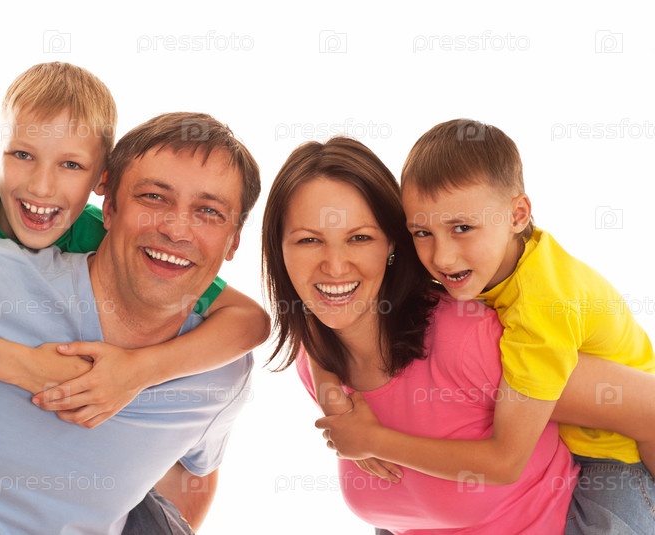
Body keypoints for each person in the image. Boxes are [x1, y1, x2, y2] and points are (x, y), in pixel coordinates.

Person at [0, 111, 261, 533]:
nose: (177, 230)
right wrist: (24, 366)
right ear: (109, 208)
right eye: (153, 198)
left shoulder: (222, 368)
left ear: (233, 242)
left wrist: (140, 371)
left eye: (209, 211)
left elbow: (192, 471)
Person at [0, 62, 268, 426]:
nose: (42, 186)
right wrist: (25, 367)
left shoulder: (103, 234)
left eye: (71, 164)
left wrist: (139, 371)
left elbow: (250, 320)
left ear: (102, 180)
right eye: (23, 155)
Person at [262, 136, 578, 533]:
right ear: (279, 248)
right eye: (309, 240)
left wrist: (376, 440)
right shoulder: (317, 363)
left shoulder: (472, 339)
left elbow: (639, 407)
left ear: (393, 242)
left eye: (360, 237)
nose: (335, 266)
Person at [399, 118, 655, 533]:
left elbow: (506, 459)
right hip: (560, 445)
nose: (441, 257)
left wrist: (373, 441)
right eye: (422, 232)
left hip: (617, 457)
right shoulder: (498, 259)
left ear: (518, 214)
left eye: (462, 228)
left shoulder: (542, 308)